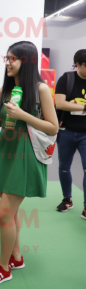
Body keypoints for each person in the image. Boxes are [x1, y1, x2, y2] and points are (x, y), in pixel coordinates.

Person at [0, 41, 58, 286]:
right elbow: (5, 121)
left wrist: (23, 115)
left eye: (13, 58)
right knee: (9, 211)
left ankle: (3, 268)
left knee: (4, 212)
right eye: (7, 58)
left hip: (25, 155)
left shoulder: (41, 89)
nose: (8, 62)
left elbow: (53, 127)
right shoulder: (6, 88)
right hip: (5, 151)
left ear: (27, 61)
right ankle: (16, 256)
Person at [55, 49, 86, 220]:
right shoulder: (67, 78)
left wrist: (72, 105)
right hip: (66, 131)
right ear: (79, 64)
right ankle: (67, 199)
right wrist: (83, 107)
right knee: (64, 167)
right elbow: (60, 103)